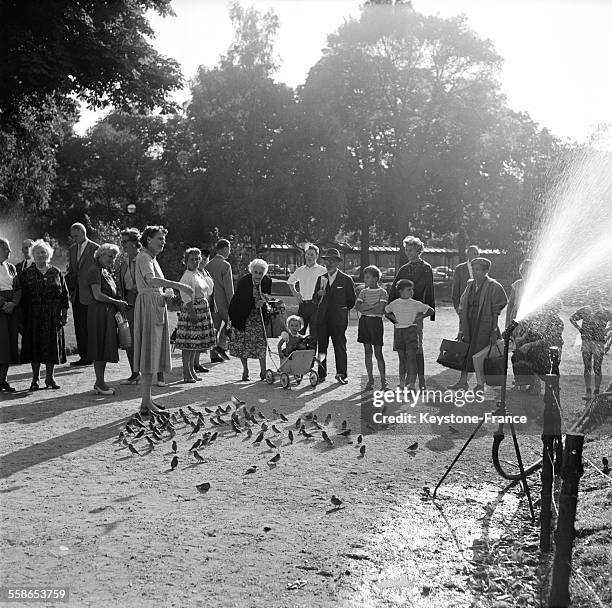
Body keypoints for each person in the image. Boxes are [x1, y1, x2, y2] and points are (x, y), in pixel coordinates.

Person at [133, 226, 193, 414]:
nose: (163, 242)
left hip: (155, 304)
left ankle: (147, 400)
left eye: (164, 239)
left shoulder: (151, 258)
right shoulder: (143, 257)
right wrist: (178, 285)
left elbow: (154, 284)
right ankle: (145, 401)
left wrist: (167, 295)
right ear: (148, 239)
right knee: (149, 351)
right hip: (149, 306)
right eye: (159, 238)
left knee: (153, 351)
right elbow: (151, 281)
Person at [450, 257, 508, 391]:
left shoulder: (494, 286)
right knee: (465, 353)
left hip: (485, 327)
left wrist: (493, 330)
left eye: (478, 270)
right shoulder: (470, 284)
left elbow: (499, 307)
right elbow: (462, 305)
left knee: (480, 355)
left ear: (486, 271)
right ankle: (462, 382)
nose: (475, 272)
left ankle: (480, 385)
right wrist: (460, 329)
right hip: (468, 325)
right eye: (473, 269)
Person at [20, 240, 69, 391]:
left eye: (43, 252)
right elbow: (21, 298)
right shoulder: (26, 274)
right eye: (37, 252)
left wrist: (64, 314)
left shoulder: (56, 272)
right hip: (33, 316)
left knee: (52, 346)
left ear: (48, 254)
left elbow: (64, 296)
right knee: (35, 347)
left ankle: (50, 378)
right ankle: (35, 379)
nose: (40, 255)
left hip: (53, 316)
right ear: (32, 255)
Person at [388, 236, 435, 389]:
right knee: (404, 348)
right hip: (402, 313)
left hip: (416, 311)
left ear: (418, 250)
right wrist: (393, 315)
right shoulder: (404, 268)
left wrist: (428, 313)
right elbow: (394, 290)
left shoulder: (426, 268)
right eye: (406, 250)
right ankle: (407, 381)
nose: (408, 253)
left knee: (417, 347)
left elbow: (430, 291)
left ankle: (421, 381)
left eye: (411, 250)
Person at [86, 244, 128, 395]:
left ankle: (100, 382)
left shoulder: (105, 271)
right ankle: (100, 382)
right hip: (98, 313)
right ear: (100, 255)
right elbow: (97, 295)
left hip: (107, 313)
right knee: (99, 346)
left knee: (104, 346)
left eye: (114, 257)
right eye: (110, 256)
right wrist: (116, 302)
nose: (112, 259)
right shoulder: (94, 270)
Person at [313, 248, 356, 384]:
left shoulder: (346, 279)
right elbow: (314, 299)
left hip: (338, 320)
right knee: (322, 348)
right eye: (327, 261)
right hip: (322, 319)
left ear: (338, 263)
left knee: (340, 347)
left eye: (332, 261)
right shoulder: (321, 279)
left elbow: (351, 301)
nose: (329, 263)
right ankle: (321, 374)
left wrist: (340, 311)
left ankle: (342, 374)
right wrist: (318, 295)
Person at [175, 248, 216, 383]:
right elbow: (185, 295)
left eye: (197, 259)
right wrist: (192, 312)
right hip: (192, 310)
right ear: (186, 261)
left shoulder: (198, 274)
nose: (196, 261)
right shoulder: (187, 275)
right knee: (188, 344)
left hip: (201, 309)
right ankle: (186, 373)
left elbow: (207, 290)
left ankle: (191, 370)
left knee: (194, 344)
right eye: (192, 259)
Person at [228, 259, 272, 381]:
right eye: (256, 272)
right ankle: (245, 370)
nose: (258, 275)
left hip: (259, 317)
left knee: (261, 343)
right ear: (251, 272)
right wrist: (254, 304)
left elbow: (268, 295)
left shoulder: (267, 281)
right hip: (243, 315)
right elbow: (240, 300)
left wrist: (267, 299)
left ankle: (263, 371)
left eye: (260, 273)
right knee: (244, 344)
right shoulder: (244, 282)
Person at [385, 279, 434, 390]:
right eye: (408, 290)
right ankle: (402, 383)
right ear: (401, 291)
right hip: (399, 332)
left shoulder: (416, 303)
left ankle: (412, 384)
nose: (411, 292)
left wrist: (419, 317)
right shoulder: (395, 303)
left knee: (411, 359)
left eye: (412, 289)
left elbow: (430, 310)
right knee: (402, 359)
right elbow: (386, 312)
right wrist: (395, 320)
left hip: (411, 331)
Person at [512, 300, 564, 395]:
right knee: (517, 355)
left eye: (550, 308)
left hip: (550, 352)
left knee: (534, 355)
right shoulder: (541, 320)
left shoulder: (558, 322)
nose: (546, 310)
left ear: (556, 309)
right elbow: (530, 332)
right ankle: (525, 381)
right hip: (538, 349)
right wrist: (520, 339)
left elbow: (549, 340)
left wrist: (529, 345)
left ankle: (540, 386)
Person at [65, 222, 99, 366]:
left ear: (83, 233)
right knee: (79, 326)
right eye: (72, 236)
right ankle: (83, 356)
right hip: (76, 293)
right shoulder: (72, 249)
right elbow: (72, 271)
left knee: (90, 326)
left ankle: (92, 355)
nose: (74, 239)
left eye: (76, 236)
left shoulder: (95, 248)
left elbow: (100, 270)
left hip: (91, 293)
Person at [569, 289, 612, 400]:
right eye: (592, 297)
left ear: (598, 298)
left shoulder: (604, 312)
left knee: (594, 368)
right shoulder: (585, 310)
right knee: (589, 367)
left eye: (595, 297)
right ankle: (589, 391)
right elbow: (572, 318)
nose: (593, 299)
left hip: (597, 343)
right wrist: (579, 329)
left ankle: (595, 392)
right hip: (588, 342)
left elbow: (572, 319)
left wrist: (607, 330)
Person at [355, 265, 388, 391]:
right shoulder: (363, 292)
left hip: (376, 323)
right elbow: (357, 307)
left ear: (375, 279)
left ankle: (383, 381)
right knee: (367, 352)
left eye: (367, 277)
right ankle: (370, 380)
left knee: (378, 353)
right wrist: (372, 307)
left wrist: (366, 307)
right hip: (364, 323)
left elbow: (380, 309)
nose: (365, 279)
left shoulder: (382, 292)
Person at [117, 228, 141, 385]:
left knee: (143, 338)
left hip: (141, 301)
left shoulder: (143, 259)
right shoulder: (125, 262)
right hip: (128, 303)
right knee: (128, 339)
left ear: (134, 243)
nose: (122, 245)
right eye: (122, 242)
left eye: (125, 242)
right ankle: (134, 372)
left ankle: (152, 373)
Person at [205, 238, 234, 363]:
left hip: (211, 301)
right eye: (229, 249)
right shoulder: (225, 265)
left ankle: (213, 354)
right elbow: (229, 288)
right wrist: (233, 303)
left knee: (214, 328)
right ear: (225, 249)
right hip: (223, 300)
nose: (230, 252)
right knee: (231, 323)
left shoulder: (208, 265)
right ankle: (221, 346)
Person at [287, 244, 326, 335]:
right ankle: (299, 349)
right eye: (307, 254)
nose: (309, 256)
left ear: (317, 256)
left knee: (314, 333)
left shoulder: (323, 271)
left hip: (316, 306)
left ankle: (312, 349)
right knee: (299, 332)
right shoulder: (300, 270)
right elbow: (290, 282)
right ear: (305, 255)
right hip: (303, 305)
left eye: (312, 254)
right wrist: (296, 294)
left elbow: (326, 287)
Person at [0, 238, 21, 392]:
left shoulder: (12, 267)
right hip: (0, 310)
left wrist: (13, 303)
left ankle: (3, 380)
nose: (9, 251)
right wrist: (3, 303)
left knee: (10, 343)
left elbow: (18, 288)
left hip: (11, 311)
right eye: (6, 248)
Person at [193, 248, 213, 373]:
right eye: (201, 259)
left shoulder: (206, 273)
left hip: (205, 306)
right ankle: (193, 363)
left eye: (205, 259)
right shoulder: (194, 273)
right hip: (197, 306)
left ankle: (197, 362)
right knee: (195, 336)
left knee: (201, 336)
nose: (202, 261)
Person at [452, 245, 480, 315]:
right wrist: (456, 307)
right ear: (468, 254)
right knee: (464, 325)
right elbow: (455, 289)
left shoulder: (483, 269)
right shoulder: (459, 269)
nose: (476, 256)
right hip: (464, 305)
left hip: (479, 305)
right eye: (474, 254)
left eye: (477, 254)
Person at [506, 259, 533, 328]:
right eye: (523, 270)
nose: (524, 272)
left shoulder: (538, 285)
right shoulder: (517, 284)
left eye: (527, 270)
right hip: (516, 316)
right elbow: (510, 304)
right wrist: (507, 321)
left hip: (531, 319)